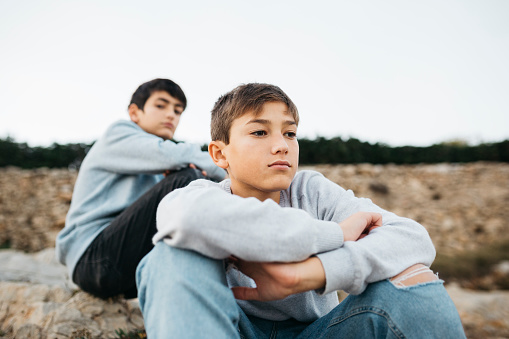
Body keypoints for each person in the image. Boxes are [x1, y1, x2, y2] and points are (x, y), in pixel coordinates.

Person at [136, 83, 466, 338]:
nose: (281, 144)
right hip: (229, 329)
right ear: (220, 155)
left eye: (290, 133)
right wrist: (335, 234)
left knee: (414, 280)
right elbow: (185, 218)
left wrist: (307, 274)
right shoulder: (201, 196)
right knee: (167, 255)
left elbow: (413, 240)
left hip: (319, 332)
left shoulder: (312, 191)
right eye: (260, 132)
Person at [55, 78, 226, 299]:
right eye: (161, 105)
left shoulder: (160, 166)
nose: (171, 115)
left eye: (178, 110)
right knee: (188, 179)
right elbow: (176, 154)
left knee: (194, 182)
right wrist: (232, 170)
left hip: (121, 263)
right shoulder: (118, 135)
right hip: (92, 259)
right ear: (135, 112)